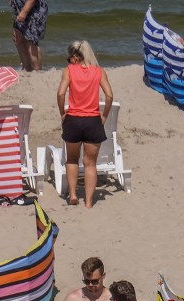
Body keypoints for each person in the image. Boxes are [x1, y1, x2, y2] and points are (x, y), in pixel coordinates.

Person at [56, 40, 113, 209]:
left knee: (72, 160)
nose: (69, 61)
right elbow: (109, 96)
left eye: (70, 57)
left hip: (73, 120)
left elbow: (60, 93)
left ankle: (73, 194)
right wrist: (104, 116)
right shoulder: (99, 71)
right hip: (92, 121)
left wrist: (61, 113)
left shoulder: (69, 71)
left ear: (75, 57)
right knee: (90, 163)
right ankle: (88, 202)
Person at [10, 0, 47, 72]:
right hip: (20, 8)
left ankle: (35, 70)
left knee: (30, 43)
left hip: (33, 10)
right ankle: (28, 69)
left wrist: (24, 12)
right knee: (18, 39)